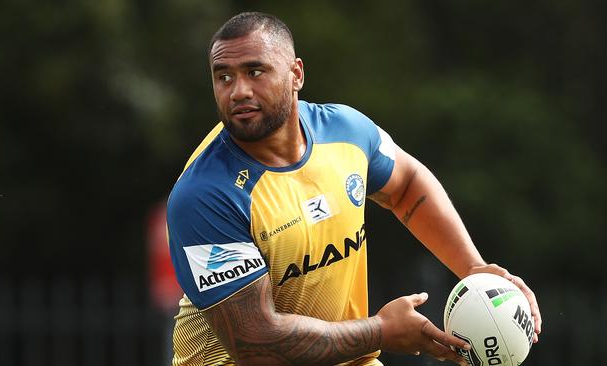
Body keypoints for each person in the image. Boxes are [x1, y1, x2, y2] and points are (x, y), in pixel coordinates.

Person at [166, 11, 542, 366]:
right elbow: (256, 344)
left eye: (255, 71)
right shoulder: (205, 195)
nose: (238, 91)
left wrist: (473, 268)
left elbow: (407, 185)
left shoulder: (344, 132)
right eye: (224, 77)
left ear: (296, 74)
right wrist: (381, 331)